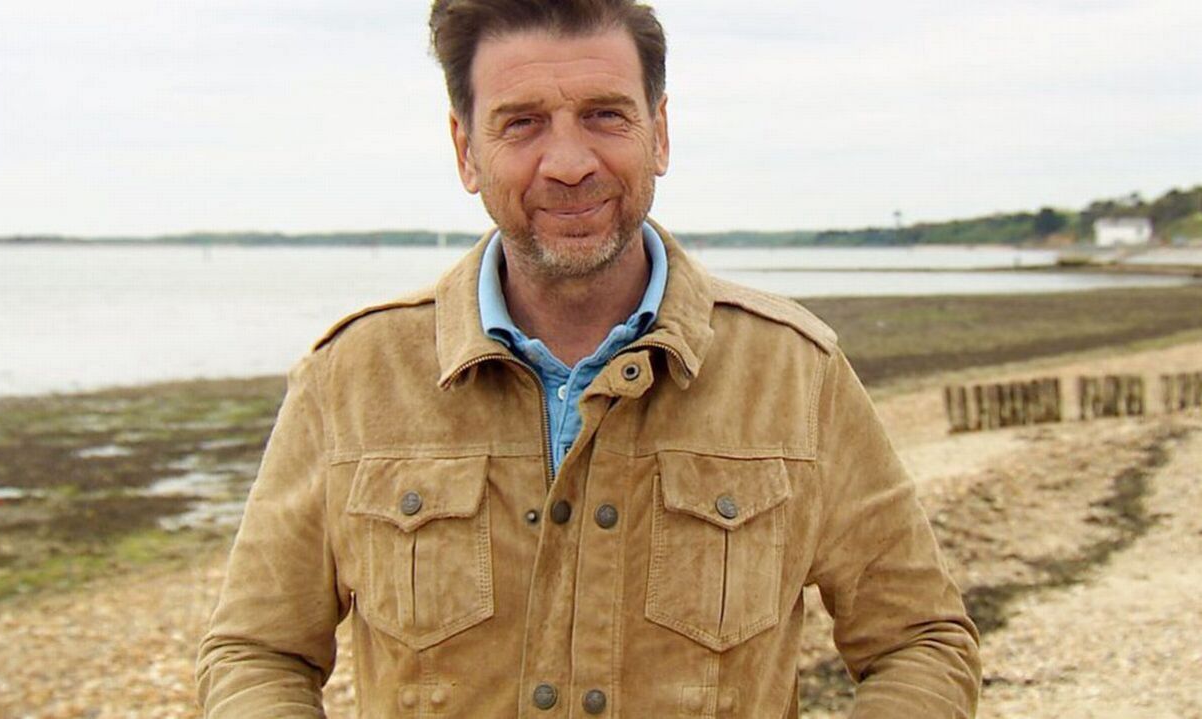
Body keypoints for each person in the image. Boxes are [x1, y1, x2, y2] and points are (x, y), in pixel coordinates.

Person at [195, 1, 982, 716]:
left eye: (605, 115)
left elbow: (919, 640)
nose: (569, 162)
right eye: (522, 123)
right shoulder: (350, 376)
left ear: (658, 134)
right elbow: (257, 651)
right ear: (466, 150)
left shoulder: (794, 371)